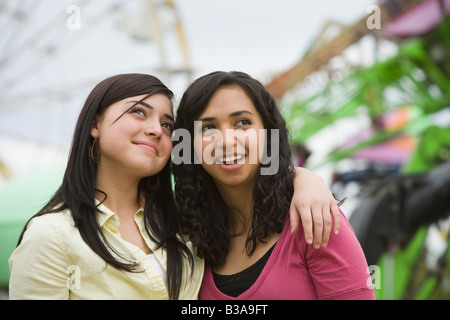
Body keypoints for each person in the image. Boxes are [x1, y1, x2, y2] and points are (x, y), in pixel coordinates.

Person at [9, 73, 340, 300]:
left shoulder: (184, 225)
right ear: (94, 124)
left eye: (167, 125)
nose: (156, 130)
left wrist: (304, 178)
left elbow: (243, 187)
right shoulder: (51, 237)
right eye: (139, 113)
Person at [173, 71, 375, 300]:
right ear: (188, 144)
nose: (227, 141)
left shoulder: (313, 218)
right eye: (208, 127)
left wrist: (304, 177)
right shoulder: (187, 232)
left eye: (242, 122)